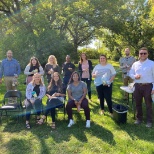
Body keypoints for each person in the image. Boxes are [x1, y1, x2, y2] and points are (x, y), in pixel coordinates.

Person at [129, 47, 154, 128]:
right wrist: (135, 76)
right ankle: (139, 119)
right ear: (138, 54)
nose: (143, 55)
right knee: (138, 103)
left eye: (144, 53)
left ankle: (149, 121)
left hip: (148, 86)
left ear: (147, 54)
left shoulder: (152, 63)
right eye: (141, 53)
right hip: (137, 86)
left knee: (148, 104)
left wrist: (153, 88)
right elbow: (130, 73)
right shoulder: (135, 64)